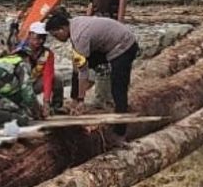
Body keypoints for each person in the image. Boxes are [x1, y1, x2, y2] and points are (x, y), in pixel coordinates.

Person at [45, 12, 140, 141]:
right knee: (78, 63)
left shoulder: (79, 36)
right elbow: (78, 64)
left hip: (124, 47)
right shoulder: (75, 23)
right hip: (113, 43)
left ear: (62, 29)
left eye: (56, 35)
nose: (56, 39)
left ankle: (120, 132)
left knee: (118, 90)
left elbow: (83, 71)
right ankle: (75, 99)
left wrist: (81, 100)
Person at [0, 45, 43, 127]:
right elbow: (28, 94)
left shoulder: (4, 61)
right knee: (23, 118)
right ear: (28, 58)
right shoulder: (22, 63)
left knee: (9, 109)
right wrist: (37, 111)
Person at [22, 20, 63, 116]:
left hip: (34, 83)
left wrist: (46, 102)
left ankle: (56, 106)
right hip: (20, 86)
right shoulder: (20, 51)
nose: (40, 40)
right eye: (37, 37)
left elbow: (48, 77)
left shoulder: (47, 54)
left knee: (57, 77)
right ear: (30, 35)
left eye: (43, 38)